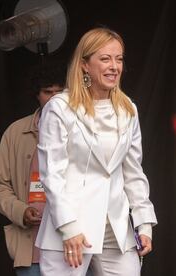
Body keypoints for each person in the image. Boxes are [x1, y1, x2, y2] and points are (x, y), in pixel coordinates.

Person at [35, 27, 157, 276]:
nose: (114, 66)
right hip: (70, 227)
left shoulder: (127, 109)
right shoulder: (60, 108)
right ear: (84, 65)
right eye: (105, 58)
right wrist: (68, 227)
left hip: (116, 228)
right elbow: (52, 174)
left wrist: (144, 222)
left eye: (119, 58)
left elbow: (133, 171)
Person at [0, 62, 65, 275]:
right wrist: (21, 211)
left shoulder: (83, 131)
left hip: (72, 248)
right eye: (48, 92)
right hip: (31, 248)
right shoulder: (16, 132)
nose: (54, 99)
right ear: (37, 94)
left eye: (60, 92)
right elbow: (0, 185)